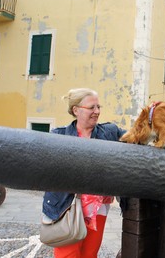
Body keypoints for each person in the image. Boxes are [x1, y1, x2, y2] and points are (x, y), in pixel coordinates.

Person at [41, 88, 126, 258]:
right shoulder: (59, 136)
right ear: (76, 110)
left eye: (98, 107)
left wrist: (154, 119)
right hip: (66, 207)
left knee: (90, 254)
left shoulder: (108, 132)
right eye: (91, 107)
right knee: (68, 255)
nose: (97, 112)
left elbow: (136, 138)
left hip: (98, 208)